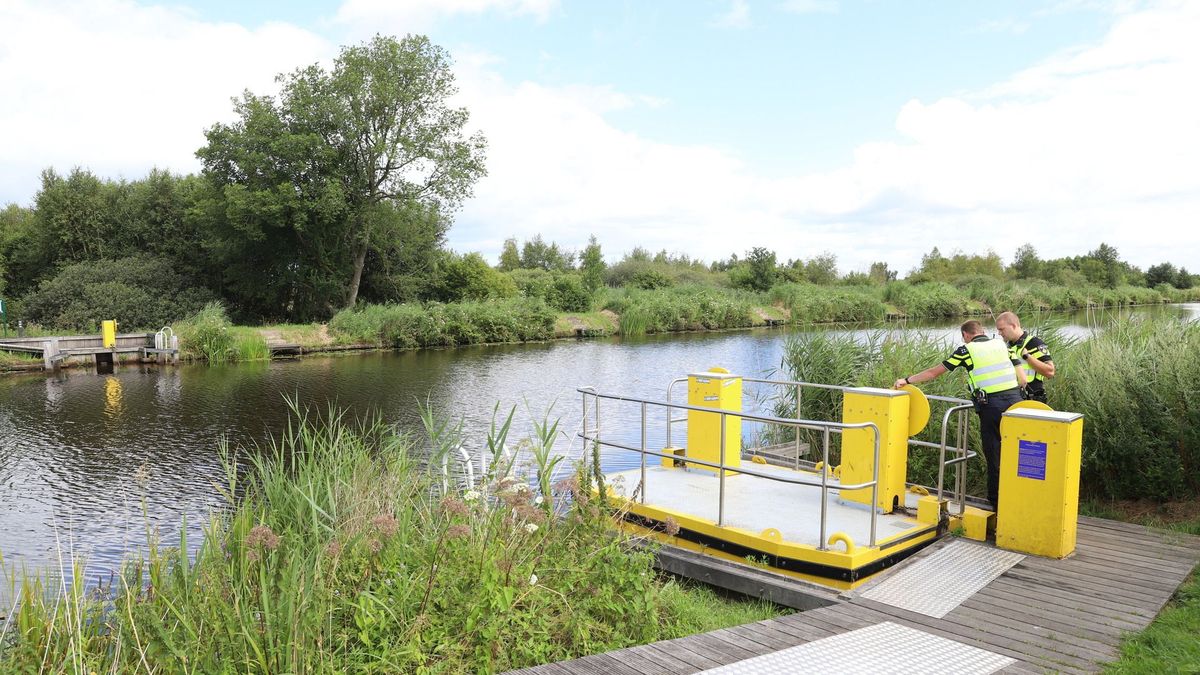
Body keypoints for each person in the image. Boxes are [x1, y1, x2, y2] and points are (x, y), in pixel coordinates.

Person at [892, 320, 1026, 511]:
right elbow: (1023, 379)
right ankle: (1019, 498)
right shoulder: (1003, 345)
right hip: (1016, 405)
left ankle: (998, 503)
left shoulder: (966, 350)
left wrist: (906, 380)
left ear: (965, 335)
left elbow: (934, 373)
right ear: (983, 331)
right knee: (1017, 453)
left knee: (994, 454)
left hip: (992, 407)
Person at [995, 311, 1055, 404]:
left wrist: (1028, 357)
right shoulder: (1006, 346)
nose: (999, 333)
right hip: (1012, 399)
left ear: (1014, 326)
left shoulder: (1034, 343)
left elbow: (1050, 372)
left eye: (1002, 329)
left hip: (1032, 399)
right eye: (998, 330)